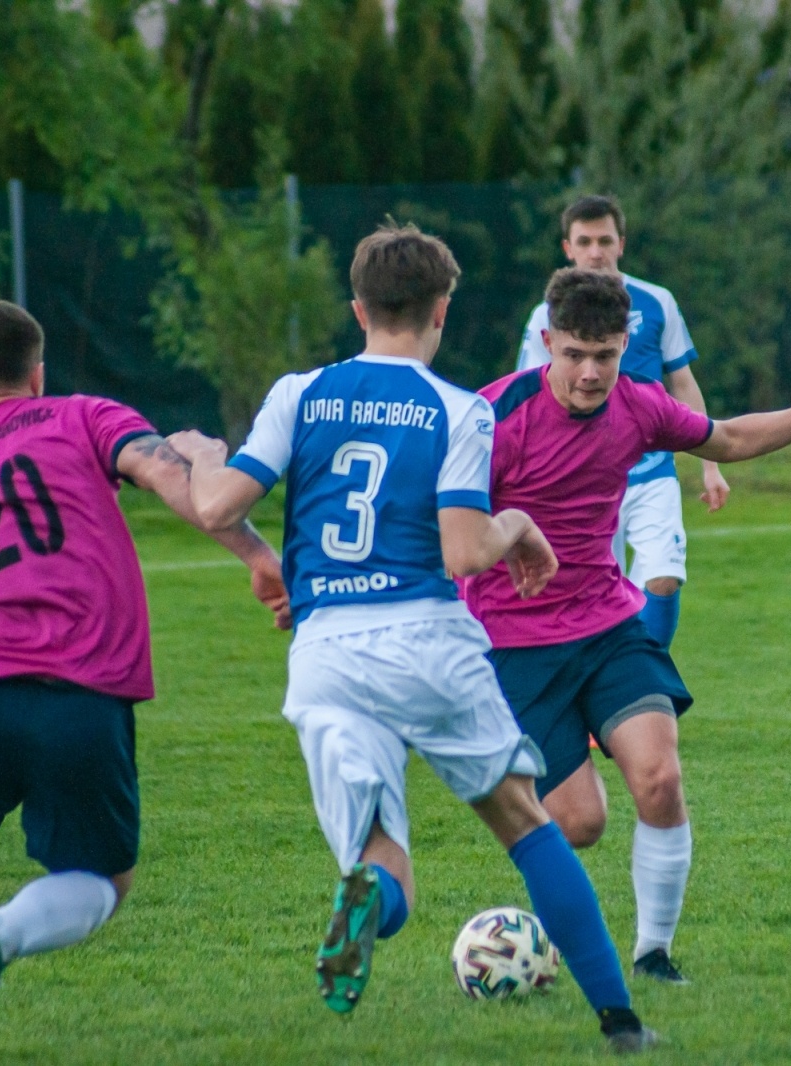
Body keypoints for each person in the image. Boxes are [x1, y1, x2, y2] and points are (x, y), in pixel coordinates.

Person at [169, 224, 659, 1053]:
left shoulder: (301, 392)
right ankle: (620, 1021)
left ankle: (366, 899)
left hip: (327, 651)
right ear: (441, 310)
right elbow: (466, 550)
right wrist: (519, 524)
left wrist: (201, 453)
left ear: (358, 307)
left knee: (378, 855)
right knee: (525, 824)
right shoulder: (459, 408)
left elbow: (216, 508)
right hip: (428, 639)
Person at [0, 301, 288, 1056]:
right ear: (38, 373)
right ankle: (3, 934)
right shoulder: (83, 416)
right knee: (102, 881)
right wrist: (255, 556)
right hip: (84, 695)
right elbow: (167, 473)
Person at [467, 267, 791, 984]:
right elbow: (442, 523)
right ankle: (539, 927)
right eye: (573, 355)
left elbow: (725, 439)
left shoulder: (640, 405)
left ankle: (653, 952)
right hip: (516, 645)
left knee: (660, 778)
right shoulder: (492, 416)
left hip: (608, 625)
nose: (590, 373)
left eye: (605, 355)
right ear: (546, 344)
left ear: (625, 345)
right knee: (580, 824)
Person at [515, 195, 729, 650]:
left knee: (664, 578)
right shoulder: (545, 317)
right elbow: (528, 396)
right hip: (580, 479)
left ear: (622, 244)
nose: (596, 251)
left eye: (605, 240)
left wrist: (710, 465)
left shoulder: (657, 302)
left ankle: (646, 679)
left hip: (651, 471)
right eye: (585, 241)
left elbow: (683, 383)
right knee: (593, 597)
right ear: (567, 249)